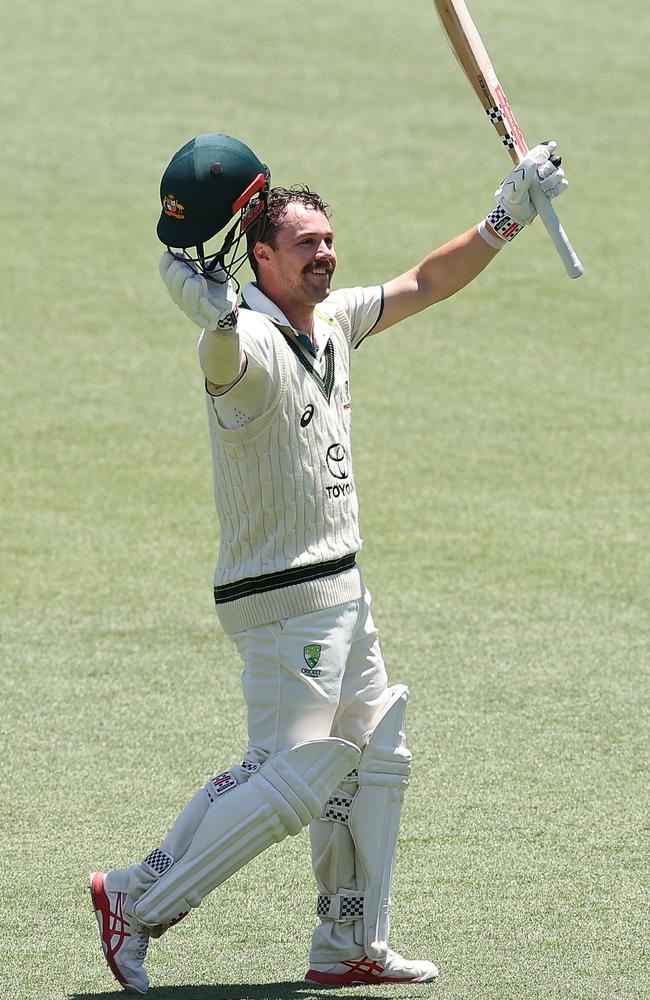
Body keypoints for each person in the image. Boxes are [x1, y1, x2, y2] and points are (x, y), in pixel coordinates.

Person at [90, 132, 569, 993]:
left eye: (328, 240)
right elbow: (220, 359)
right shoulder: (245, 345)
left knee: (375, 749)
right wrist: (209, 315)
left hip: (343, 586)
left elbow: (424, 281)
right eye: (306, 244)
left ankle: (348, 942)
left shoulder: (336, 322)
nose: (326, 253)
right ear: (262, 256)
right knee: (301, 772)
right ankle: (137, 899)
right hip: (280, 599)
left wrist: (510, 212)